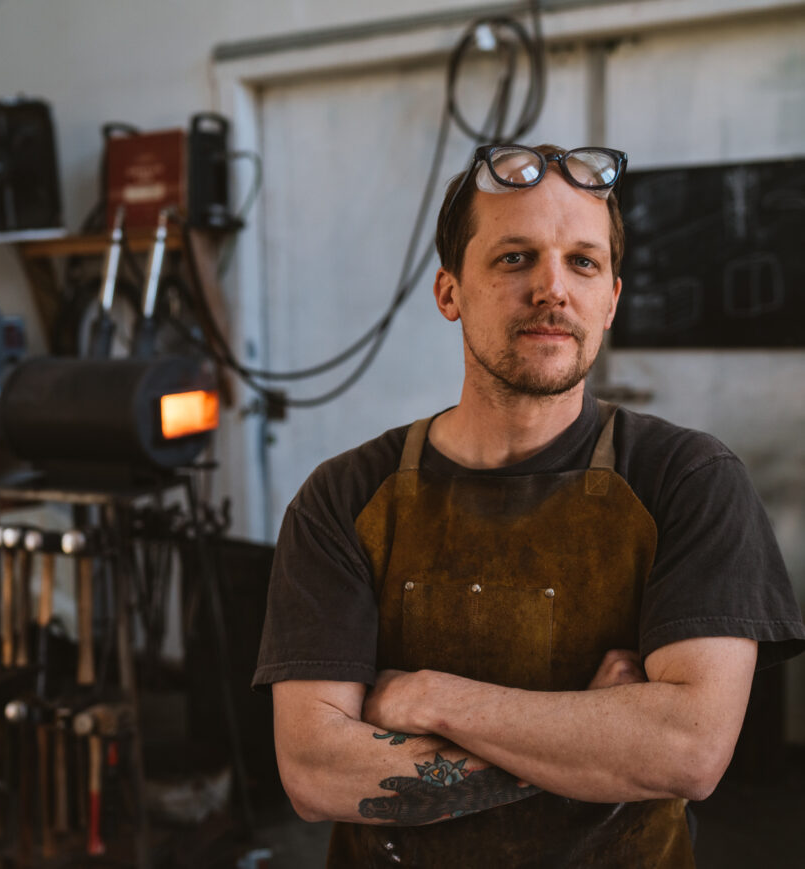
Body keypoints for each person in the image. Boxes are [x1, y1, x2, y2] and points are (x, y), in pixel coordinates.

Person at [252, 143, 805, 867]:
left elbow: (686, 751)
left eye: (583, 261)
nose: (553, 288)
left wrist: (430, 697)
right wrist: (594, 736)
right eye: (514, 258)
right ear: (449, 292)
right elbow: (316, 770)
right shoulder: (344, 498)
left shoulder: (689, 480)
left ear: (610, 297)